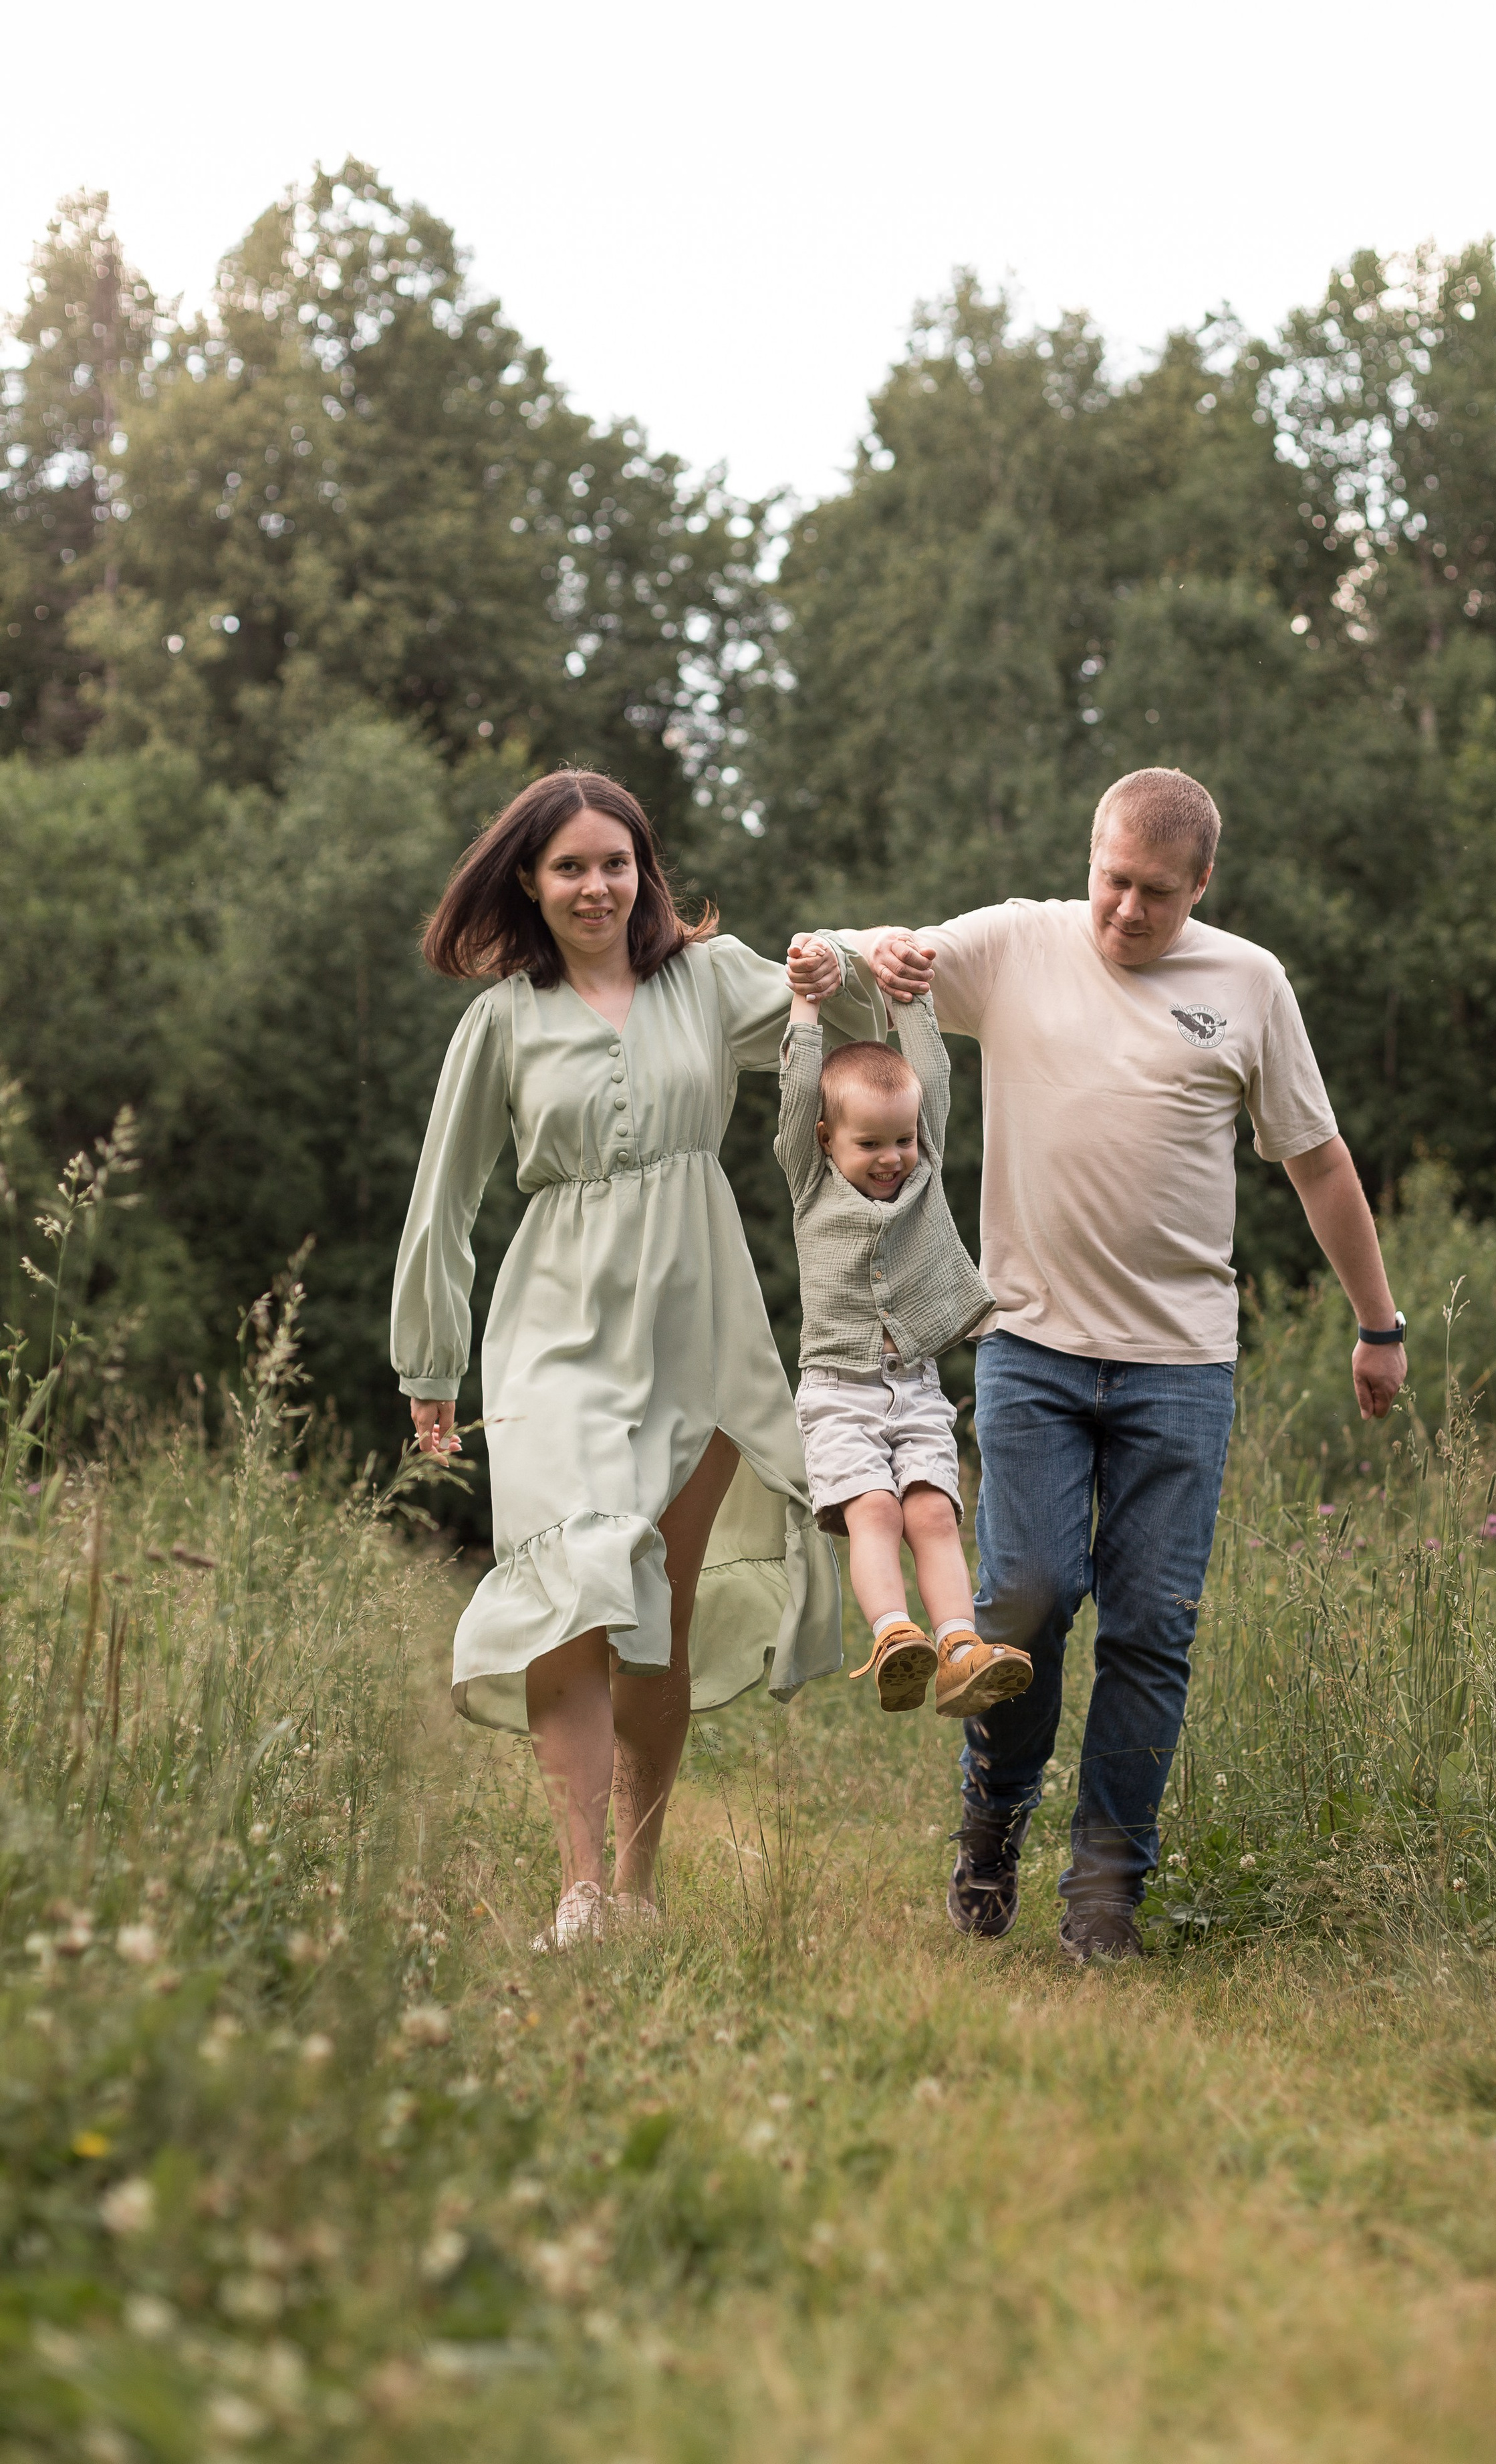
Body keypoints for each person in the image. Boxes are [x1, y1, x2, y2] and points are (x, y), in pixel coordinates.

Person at [846, 767, 1408, 1962]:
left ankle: (1106, 1887)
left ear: (1202, 885)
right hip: (1032, 1349)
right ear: (1087, 859)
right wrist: (873, 948)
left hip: (1181, 1368)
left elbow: (1316, 1161)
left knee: (1153, 1627)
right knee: (1028, 1600)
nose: (1126, 912)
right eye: (1112, 882)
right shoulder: (1014, 948)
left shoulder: (1248, 985)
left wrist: (1380, 1323)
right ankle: (993, 1821)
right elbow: (870, 962)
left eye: (1157, 893)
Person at [392, 768, 884, 1950]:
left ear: (643, 871)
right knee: (573, 1582)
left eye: (616, 862)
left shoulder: (708, 981)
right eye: (570, 866)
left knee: (648, 1608)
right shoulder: (502, 1021)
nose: (597, 885)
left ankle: (639, 1884)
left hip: (697, 1326)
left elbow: (850, 1033)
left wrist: (846, 967)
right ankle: (575, 1892)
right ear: (530, 880)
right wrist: (429, 1367)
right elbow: (442, 1201)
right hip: (553, 1329)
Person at [775, 940, 1032, 1717]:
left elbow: (937, 1079)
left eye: (902, 1140)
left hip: (916, 1386)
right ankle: (896, 1638)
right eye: (869, 1143)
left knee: (930, 1511)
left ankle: (959, 1645)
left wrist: (909, 998)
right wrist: (806, 1005)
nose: (892, 1158)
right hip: (837, 1392)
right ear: (826, 1140)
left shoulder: (925, 1174)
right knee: (877, 1512)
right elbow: (796, 1092)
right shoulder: (807, 1181)